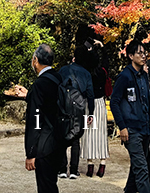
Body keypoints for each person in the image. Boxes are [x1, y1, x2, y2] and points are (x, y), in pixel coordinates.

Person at [110, 40, 150, 193]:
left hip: (145, 128)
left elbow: (147, 103)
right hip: (131, 130)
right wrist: (122, 127)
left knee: (137, 167)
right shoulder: (124, 77)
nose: (143, 55)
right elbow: (114, 102)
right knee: (142, 169)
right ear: (131, 56)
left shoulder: (143, 76)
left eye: (144, 52)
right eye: (139, 53)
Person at [18, 43, 64, 193]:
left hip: (45, 145)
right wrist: (29, 95)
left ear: (35, 60)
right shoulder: (59, 79)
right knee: (51, 184)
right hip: (60, 141)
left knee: (45, 187)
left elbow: (34, 119)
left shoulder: (40, 84)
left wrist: (30, 153)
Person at [58, 41, 95, 179]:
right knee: (76, 139)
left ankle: (62, 169)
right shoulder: (86, 74)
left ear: (74, 57)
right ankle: (73, 170)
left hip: (63, 106)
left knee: (62, 136)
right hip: (79, 107)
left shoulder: (63, 70)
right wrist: (90, 113)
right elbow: (90, 95)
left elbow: (56, 88)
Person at [81, 40, 110, 178]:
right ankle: (102, 164)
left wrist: (89, 50)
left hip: (88, 103)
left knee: (89, 134)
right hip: (100, 103)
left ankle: (90, 165)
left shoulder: (85, 73)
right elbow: (106, 61)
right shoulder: (102, 71)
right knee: (101, 133)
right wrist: (102, 47)